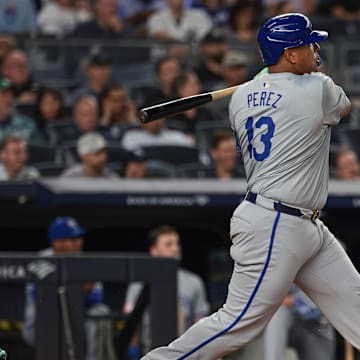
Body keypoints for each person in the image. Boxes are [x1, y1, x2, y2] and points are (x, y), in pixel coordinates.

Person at [140, 13, 360, 360]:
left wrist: (268, 77)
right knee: (236, 324)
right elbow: (342, 106)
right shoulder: (318, 89)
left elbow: (274, 90)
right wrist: (292, 76)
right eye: (308, 43)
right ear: (289, 54)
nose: (316, 49)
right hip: (275, 222)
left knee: (356, 304)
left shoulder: (241, 99)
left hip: (303, 225)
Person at [22, 216, 116, 360]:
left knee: (100, 311)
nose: (79, 242)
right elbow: (43, 299)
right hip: (38, 326)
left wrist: (75, 292)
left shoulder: (84, 262)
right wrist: (80, 290)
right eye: (72, 239)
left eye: (78, 238)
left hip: (75, 321)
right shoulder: (40, 261)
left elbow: (96, 297)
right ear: (57, 243)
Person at [124, 225, 210, 357]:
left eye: (177, 244)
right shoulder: (139, 283)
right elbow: (131, 324)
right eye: (168, 245)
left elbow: (200, 323)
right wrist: (133, 351)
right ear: (154, 250)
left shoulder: (193, 282)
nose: (175, 249)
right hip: (150, 352)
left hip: (184, 353)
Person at [263, 285, 335, 360]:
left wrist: (294, 301)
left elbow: (318, 306)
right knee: (278, 314)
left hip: (318, 325)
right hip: (290, 319)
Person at [0, 78, 43, 144]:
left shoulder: (27, 124)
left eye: (11, 95)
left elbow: (39, 150)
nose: (9, 99)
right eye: (4, 95)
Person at [146, 0, 212, 41]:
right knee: (171, 63)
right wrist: (183, 42)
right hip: (164, 57)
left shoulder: (199, 15)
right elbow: (159, 35)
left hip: (194, 56)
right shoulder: (156, 18)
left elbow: (206, 35)